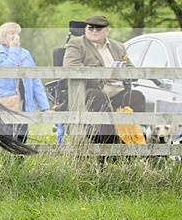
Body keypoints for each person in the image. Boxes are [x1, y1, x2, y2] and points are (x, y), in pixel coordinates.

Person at [62, 14, 145, 143]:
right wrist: (102, 77)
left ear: (106, 30)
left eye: (98, 28)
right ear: (85, 29)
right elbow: (71, 67)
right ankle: (109, 144)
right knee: (97, 96)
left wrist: (121, 73)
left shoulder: (118, 46)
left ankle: (135, 141)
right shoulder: (76, 44)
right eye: (91, 28)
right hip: (91, 91)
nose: (94, 31)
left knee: (137, 96)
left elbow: (130, 67)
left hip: (117, 91)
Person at [0, 22, 50, 143]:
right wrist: (14, 49)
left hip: (24, 100)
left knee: (22, 135)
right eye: (11, 33)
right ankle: (8, 160)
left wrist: (44, 106)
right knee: (8, 134)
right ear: (3, 35)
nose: (15, 36)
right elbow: (6, 71)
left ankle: (19, 159)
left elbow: (35, 80)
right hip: (6, 100)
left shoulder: (25, 53)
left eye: (17, 33)